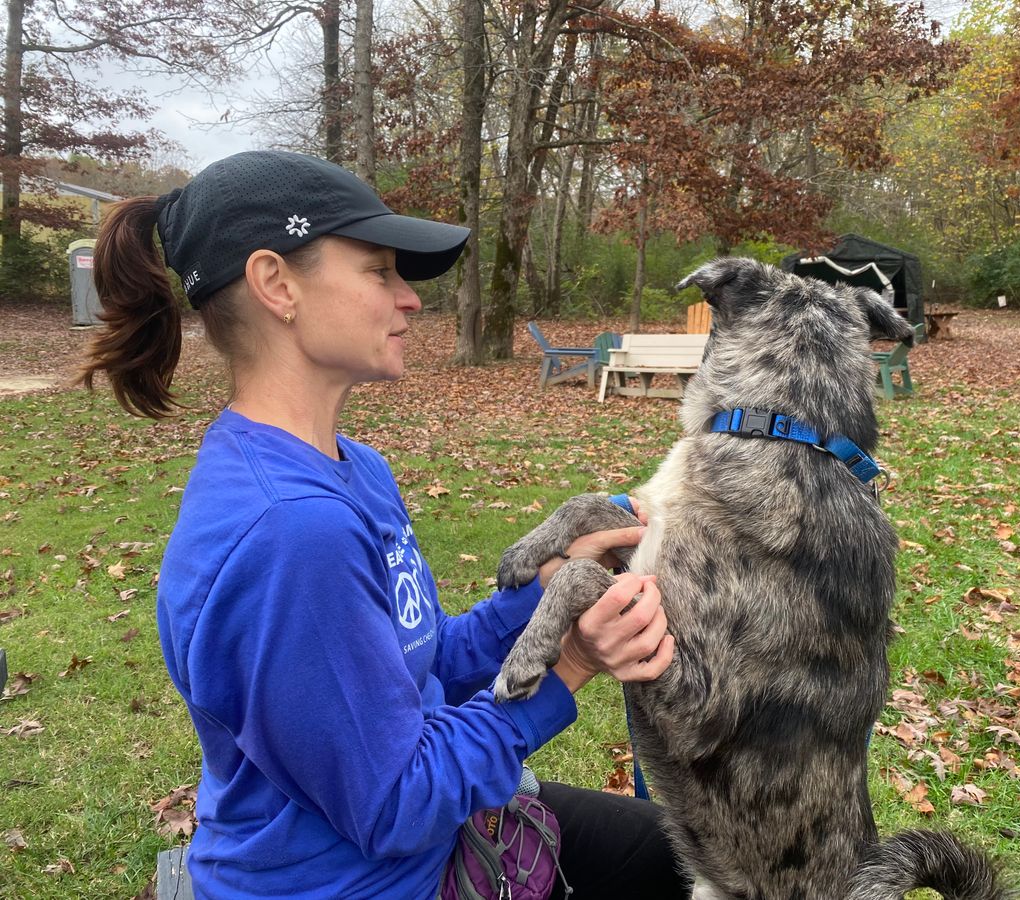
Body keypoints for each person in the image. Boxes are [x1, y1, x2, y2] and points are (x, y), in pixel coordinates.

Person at [78, 150, 687, 899]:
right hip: (355, 881)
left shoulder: (353, 467)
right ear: (276, 284)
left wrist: (546, 591)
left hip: (435, 836)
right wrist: (571, 666)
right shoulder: (291, 531)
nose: (410, 300)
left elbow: (425, 666)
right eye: (379, 271)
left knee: (688, 856)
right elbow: (396, 804)